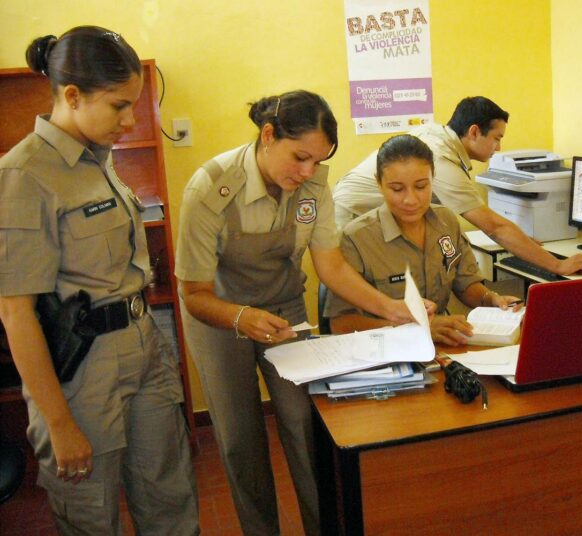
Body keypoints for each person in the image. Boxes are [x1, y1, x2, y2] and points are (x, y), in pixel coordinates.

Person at [175, 90, 431, 536]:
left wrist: (390, 308)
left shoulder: (313, 187)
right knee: (240, 441)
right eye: (300, 158)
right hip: (219, 315)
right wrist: (240, 317)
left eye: (318, 160)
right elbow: (193, 293)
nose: (308, 172)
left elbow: (330, 265)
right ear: (268, 135)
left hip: (285, 309)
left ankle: (323, 527)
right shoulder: (210, 187)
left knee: (304, 425)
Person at [0, 27, 199, 535]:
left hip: (143, 348)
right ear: (72, 96)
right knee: (91, 516)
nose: (131, 119)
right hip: (82, 373)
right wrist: (60, 425)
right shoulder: (26, 175)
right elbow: (15, 312)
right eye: (118, 105)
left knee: (171, 502)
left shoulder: (98, 160)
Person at [333, 96, 582, 276]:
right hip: (354, 218)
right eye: (496, 138)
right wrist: (557, 264)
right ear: (474, 132)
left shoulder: (439, 138)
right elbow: (494, 226)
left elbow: (496, 227)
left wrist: (521, 242)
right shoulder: (442, 158)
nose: (499, 148)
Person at [325, 134, 523, 346]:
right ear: (379, 183)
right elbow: (341, 323)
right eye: (397, 189)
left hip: (444, 345)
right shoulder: (357, 238)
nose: (410, 200)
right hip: (387, 352)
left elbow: (465, 284)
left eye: (421, 186)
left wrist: (491, 299)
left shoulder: (446, 221)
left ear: (433, 179)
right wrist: (414, 330)